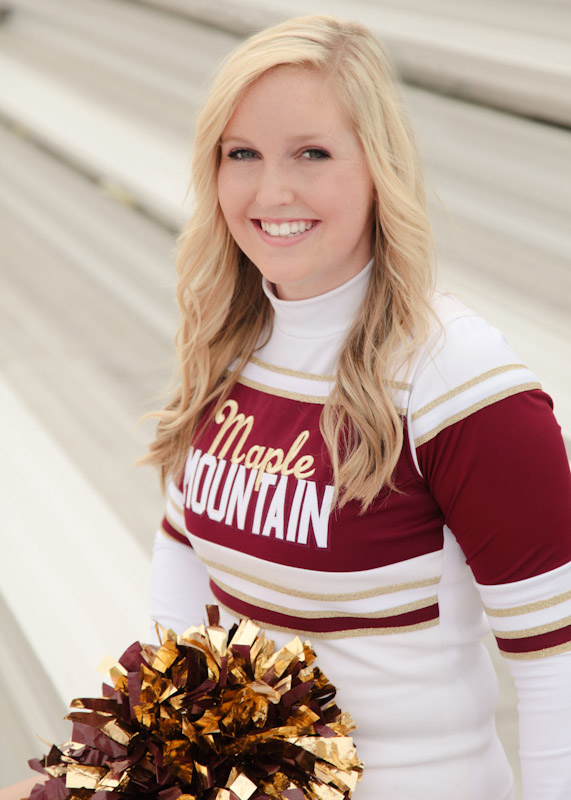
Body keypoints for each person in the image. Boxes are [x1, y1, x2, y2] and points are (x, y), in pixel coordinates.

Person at [4, 13, 568, 800]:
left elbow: (555, 669)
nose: (272, 191)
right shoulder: (232, 342)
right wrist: (181, 748)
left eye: (312, 152)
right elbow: (182, 544)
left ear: (379, 168)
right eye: (243, 154)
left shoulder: (462, 382)